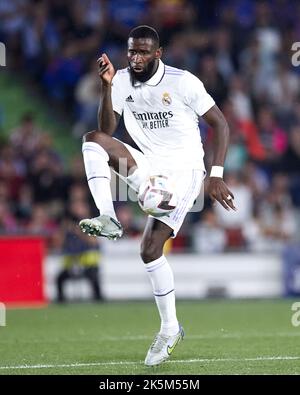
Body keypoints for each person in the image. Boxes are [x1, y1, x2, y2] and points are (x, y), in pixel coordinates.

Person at [79, 25, 236, 366]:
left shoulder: (183, 82)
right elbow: (108, 130)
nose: (136, 58)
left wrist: (216, 175)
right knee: (93, 139)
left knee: (151, 234)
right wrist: (107, 88)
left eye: (143, 52)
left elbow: (221, 125)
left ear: (158, 53)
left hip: (185, 171)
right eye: (132, 51)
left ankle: (169, 328)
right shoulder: (120, 80)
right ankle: (107, 216)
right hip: (148, 165)